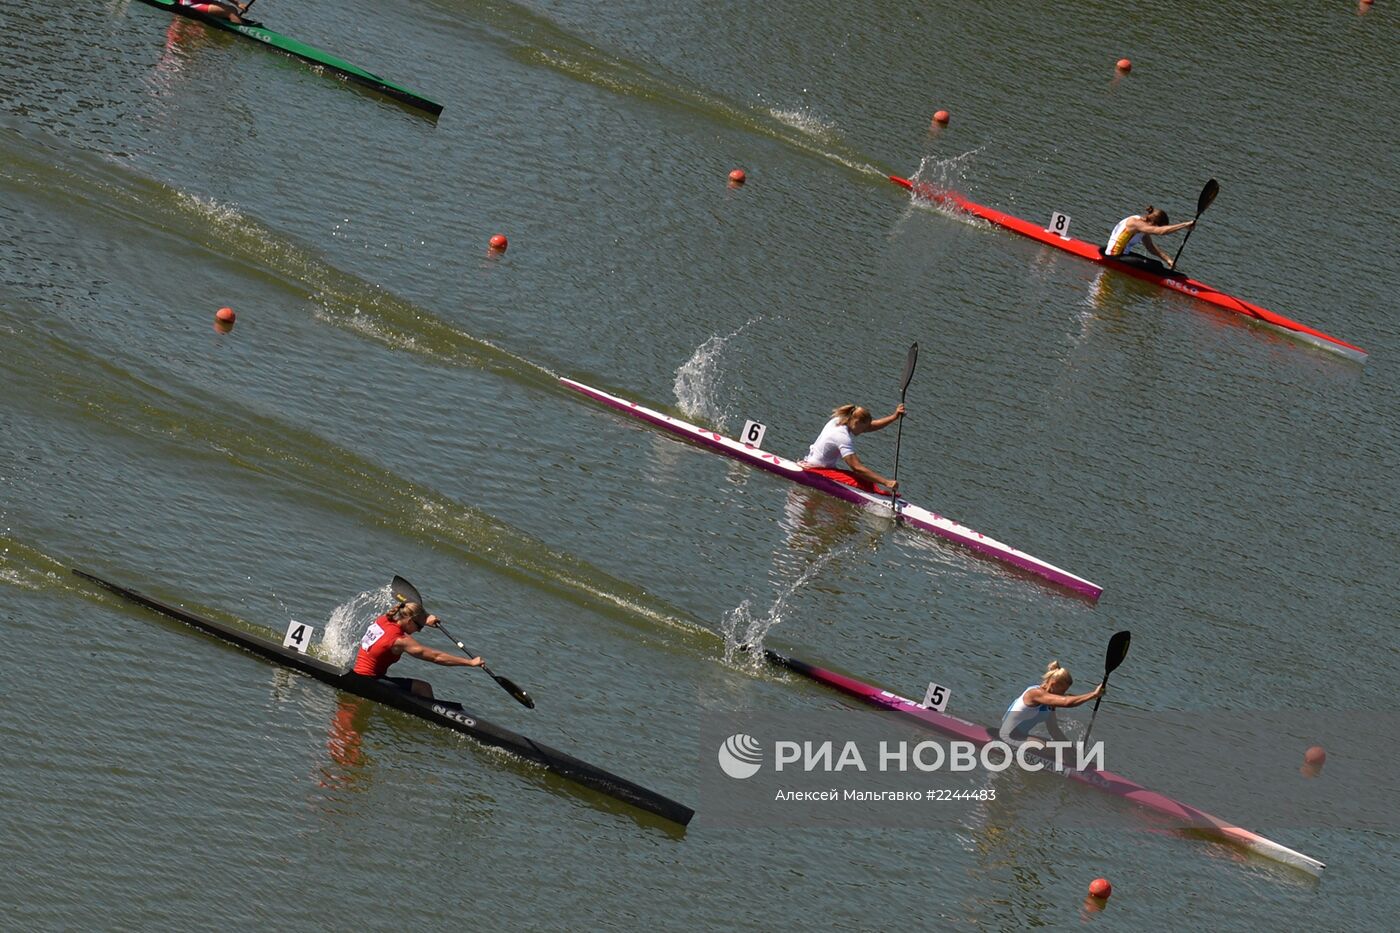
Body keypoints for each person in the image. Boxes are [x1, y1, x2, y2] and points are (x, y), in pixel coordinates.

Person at [352, 601, 483, 699]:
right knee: (423, 688)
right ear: (409, 621)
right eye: (419, 626)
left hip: (358, 673)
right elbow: (436, 657)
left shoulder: (384, 619)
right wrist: (470, 663)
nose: (420, 630)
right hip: (369, 682)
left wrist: (425, 619)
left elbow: (409, 606)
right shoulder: (400, 640)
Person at [798, 403, 906, 494]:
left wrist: (894, 417)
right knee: (863, 483)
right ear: (857, 422)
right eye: (864, 427)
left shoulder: (839, 420)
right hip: (816, 470)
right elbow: (857, 468)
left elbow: (871, 426)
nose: (866, 430)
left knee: (866, 481)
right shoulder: (842, 436)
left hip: (817, 464)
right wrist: (886, 482)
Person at [998, 659, 1105, 744]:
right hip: (1007, 737)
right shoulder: (1035, 693)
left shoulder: (1049, 704)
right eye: (1062, 691)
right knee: (1056, 750)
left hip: (1020, 736)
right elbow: (1066, 702)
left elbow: (1054, 730)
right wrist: (1093, 695)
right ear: (1053, 685)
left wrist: (1070, 749)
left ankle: (1070, 765)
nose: (1063, 694)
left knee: (1065, 749)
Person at [1102, 206, 1195, 270]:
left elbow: (1150, 247)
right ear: (1153, 224)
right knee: (1156, 266)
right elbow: (1161, 231)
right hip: (1113, 256)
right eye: (1159, 226)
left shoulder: (1143, 226)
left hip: (1123, 255)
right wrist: (1184, 225)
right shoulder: (1135, 223)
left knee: (1157, 264)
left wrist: (1168, 259)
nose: (1157, 229)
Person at [177, 0, 252, 24]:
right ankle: (242, 30)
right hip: (191, 3)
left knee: (233, 9)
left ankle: (239, 24)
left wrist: (238, 3)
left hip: (204, 1)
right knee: (230, 12)